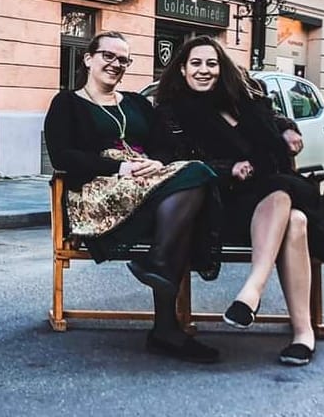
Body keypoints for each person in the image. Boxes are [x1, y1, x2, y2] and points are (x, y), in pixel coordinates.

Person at [155, 35, 324, 367]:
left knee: (293, 215)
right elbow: (177, 160)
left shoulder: (244, 97)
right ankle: (297, 327)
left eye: (211, 63)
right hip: (221, 204)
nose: (204, 70)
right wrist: (228, 169)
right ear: (182, 70)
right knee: (289, 208)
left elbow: (272, 121)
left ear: (221, 67)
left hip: (270, 196)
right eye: (196, 63)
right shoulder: (174, 112)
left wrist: (288, 129)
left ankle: (274, 312)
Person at [44, 31, 221, 364]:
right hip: (100, 191)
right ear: (88, 58)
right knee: (189, 190)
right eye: (108, 56)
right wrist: (118, 167)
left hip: (147, 184)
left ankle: (160, 272)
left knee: (196, 174)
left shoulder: (137, 103)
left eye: (123, 59)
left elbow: (165, 145)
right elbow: (62, 157)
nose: (116, 65)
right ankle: (166, 325)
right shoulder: (66, 103)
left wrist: (156, 161)